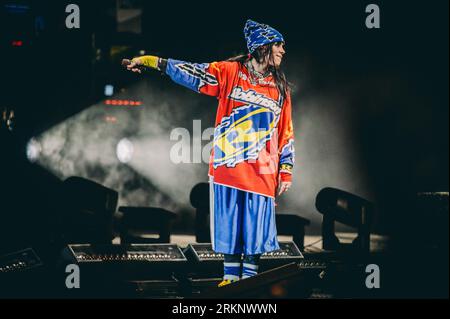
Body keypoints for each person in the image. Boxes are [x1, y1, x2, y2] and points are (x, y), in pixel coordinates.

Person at [125, 19, 295, 287]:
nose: (284, 50)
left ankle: (248, 281)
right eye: (279, 44)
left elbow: (286, 131)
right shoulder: (230, 72)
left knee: (255, 230)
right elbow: (193, 73)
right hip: (228, 170)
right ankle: (229, 279)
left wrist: (286, 168)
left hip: (263, 174)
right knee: (229, 226)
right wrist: (156, 62)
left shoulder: (281, 89)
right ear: (263, 46)